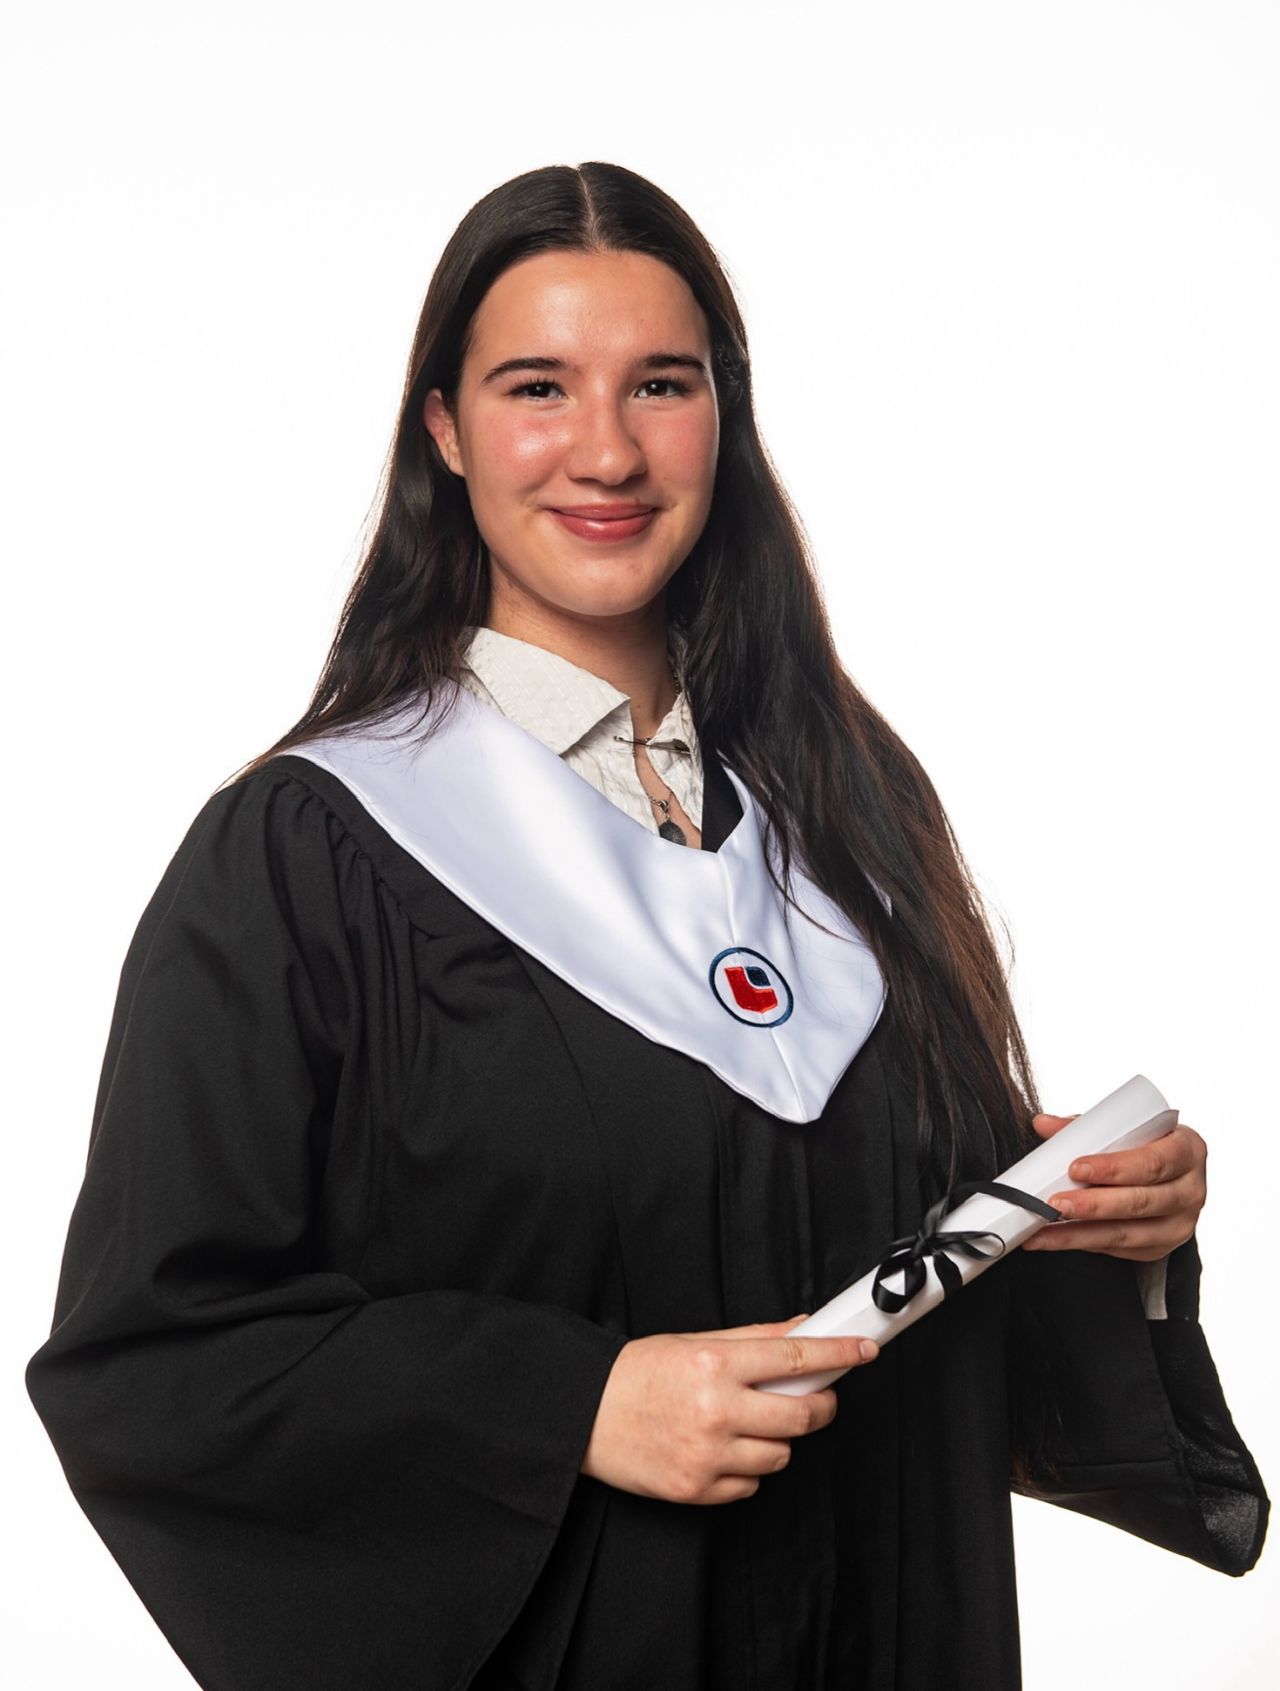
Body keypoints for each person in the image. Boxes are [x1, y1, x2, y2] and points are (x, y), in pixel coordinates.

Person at [26, 161, 1267, 1691]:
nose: (607, 449)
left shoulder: (848, 813)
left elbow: (891, 1317)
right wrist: (568, 1406)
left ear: (722, 419)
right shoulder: (310, 853)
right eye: (539, 387)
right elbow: (155, 1361)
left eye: (661, 385)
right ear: (444, 429)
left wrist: (1088, 1228)